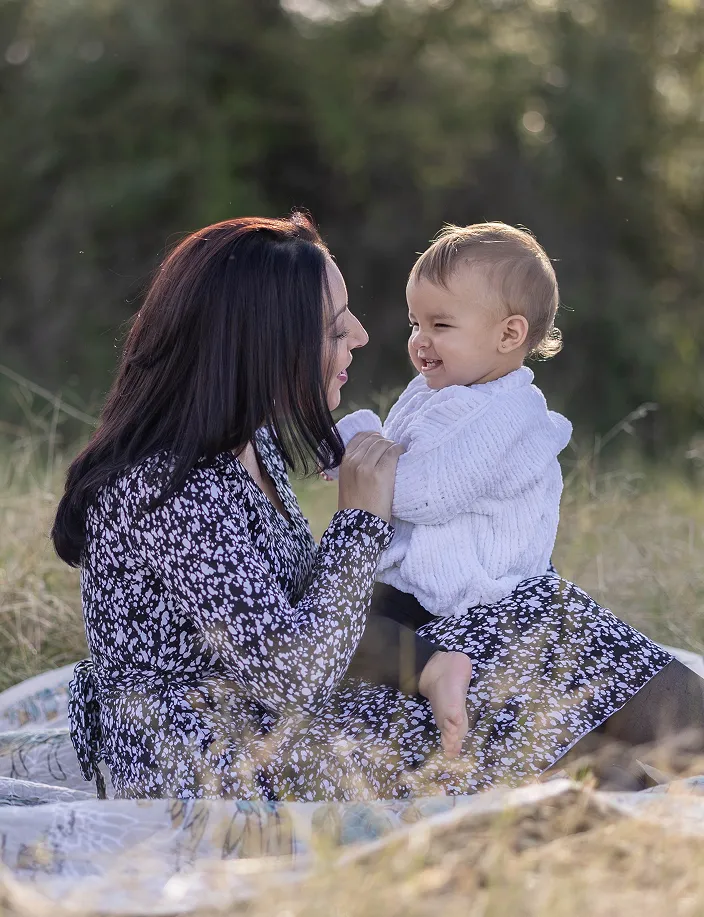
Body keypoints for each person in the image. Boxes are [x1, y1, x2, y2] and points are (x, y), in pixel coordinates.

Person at [53, 213, 702, 802]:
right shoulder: (168, 485)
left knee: (533, 636)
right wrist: (361, 521)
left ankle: (627, 808)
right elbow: (291, 669)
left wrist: (425, 664)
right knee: (543, 627)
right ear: (266, 345)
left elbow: (311, 619)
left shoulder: (246, 451)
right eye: (336, 328)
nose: (363, 336)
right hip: (211, 761)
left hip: (275, 722)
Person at [329, 222, 573, 755]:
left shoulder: (509, 415)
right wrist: (358, 444)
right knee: (332, 628)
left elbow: (425, 492)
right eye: (416, 322)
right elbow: (392, 451)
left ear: (509, 335)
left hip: (469, 597)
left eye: (441, 324)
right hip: (419, 585)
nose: (420, 340)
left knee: (345, 633)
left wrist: (360, 452)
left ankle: (439, 681)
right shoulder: (435, 390)